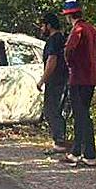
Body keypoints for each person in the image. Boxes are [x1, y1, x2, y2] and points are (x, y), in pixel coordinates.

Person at [61, 0, 96, 167]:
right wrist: (95, 60)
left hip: (79, 77)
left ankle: (87, 154)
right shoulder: (92, 29)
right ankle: (79, 152)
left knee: (81, 115)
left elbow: (69, 50)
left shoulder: (78, 29)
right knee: (83, 114)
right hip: (92, 77)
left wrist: (72, 64)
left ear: (68, 16)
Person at [36, 12, 69, 153]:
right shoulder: (62, 38)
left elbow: (52, 60)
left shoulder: (53, 40)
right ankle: (61, 141)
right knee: (57, 111)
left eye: (43, 26)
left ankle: (59, 143)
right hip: (65, 79)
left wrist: (42, 80)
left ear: (49, 25)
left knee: (51, 111)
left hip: (55, 81)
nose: (41, 29)